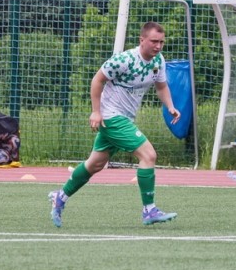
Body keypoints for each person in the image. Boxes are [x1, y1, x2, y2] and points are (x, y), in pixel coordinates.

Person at [48, 22, 181, 228]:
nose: (158, 46)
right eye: (154, 41)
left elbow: (161, 86)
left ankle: (60, 197)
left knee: (95, 164)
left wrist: (170, 106)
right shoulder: (124, 60)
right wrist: (96, 111)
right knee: (148, 155)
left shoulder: (158, 61)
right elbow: (97, 80)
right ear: (142, 40)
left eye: (161, 42)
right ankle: (149, 210)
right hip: (111, 117)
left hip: (125, 118)